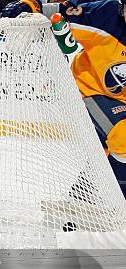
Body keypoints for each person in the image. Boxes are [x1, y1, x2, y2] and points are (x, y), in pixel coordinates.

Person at [56, 0, 126, 196]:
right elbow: (58, 13)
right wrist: (30, 6)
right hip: (87, 91)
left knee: (107, 151)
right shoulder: (104, 16)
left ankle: (82, 197)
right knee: (122, 136)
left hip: (119, 100)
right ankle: (119, 201)